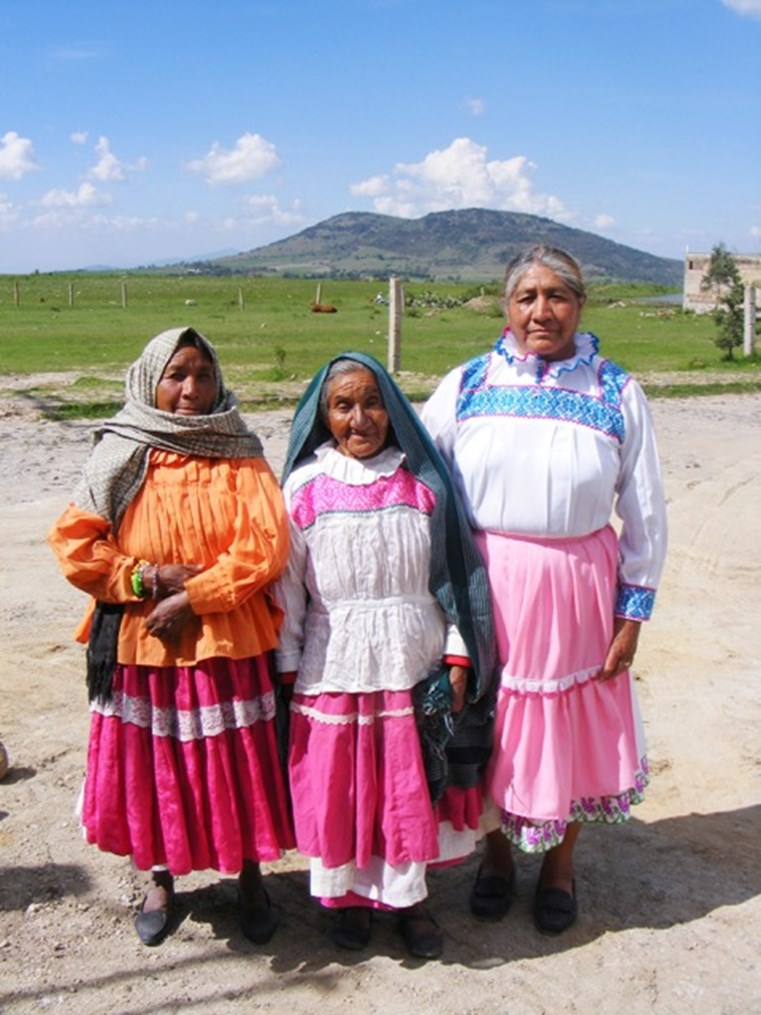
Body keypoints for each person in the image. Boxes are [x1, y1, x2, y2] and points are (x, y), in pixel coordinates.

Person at [421, 245, 668, 935]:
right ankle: (495, 856)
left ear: (579, 305)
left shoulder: (614, 390)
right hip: (486, 583)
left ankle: (559, 867)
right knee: (488, 724)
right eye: (525, 296)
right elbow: (421, 473)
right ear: (505, 307)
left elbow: (645, 509)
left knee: (568, 727)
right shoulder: (467, 383)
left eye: (556, 295)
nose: (540, 310)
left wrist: (632, 611)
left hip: (579, 587)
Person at [48, 326, 294, 947]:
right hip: (143, 638)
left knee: (233, 761)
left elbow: (265, 547)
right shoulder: (121, 451)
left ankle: (249, 876)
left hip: (225, 637)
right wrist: (146, 576)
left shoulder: (238, 449)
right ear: (150, 379)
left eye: (203, 375)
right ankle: (160, 877)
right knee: (156, 762)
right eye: (177, 374)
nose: (191, 389)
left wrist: (196, 597)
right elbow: (75, 546)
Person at [273, 352, 495, 959]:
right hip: (333, 656)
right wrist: (289, 665)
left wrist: (458, 657)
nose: (360, 418)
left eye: (372, 402)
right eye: (343, 405)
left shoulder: (422, 482)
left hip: (410, 653)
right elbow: (287, 589)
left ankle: (410, 899)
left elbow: (455, 574)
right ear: (324, 416)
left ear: (392, 409)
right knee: (344, 784)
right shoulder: (303, 487)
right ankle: (347, 901)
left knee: (408, 781)